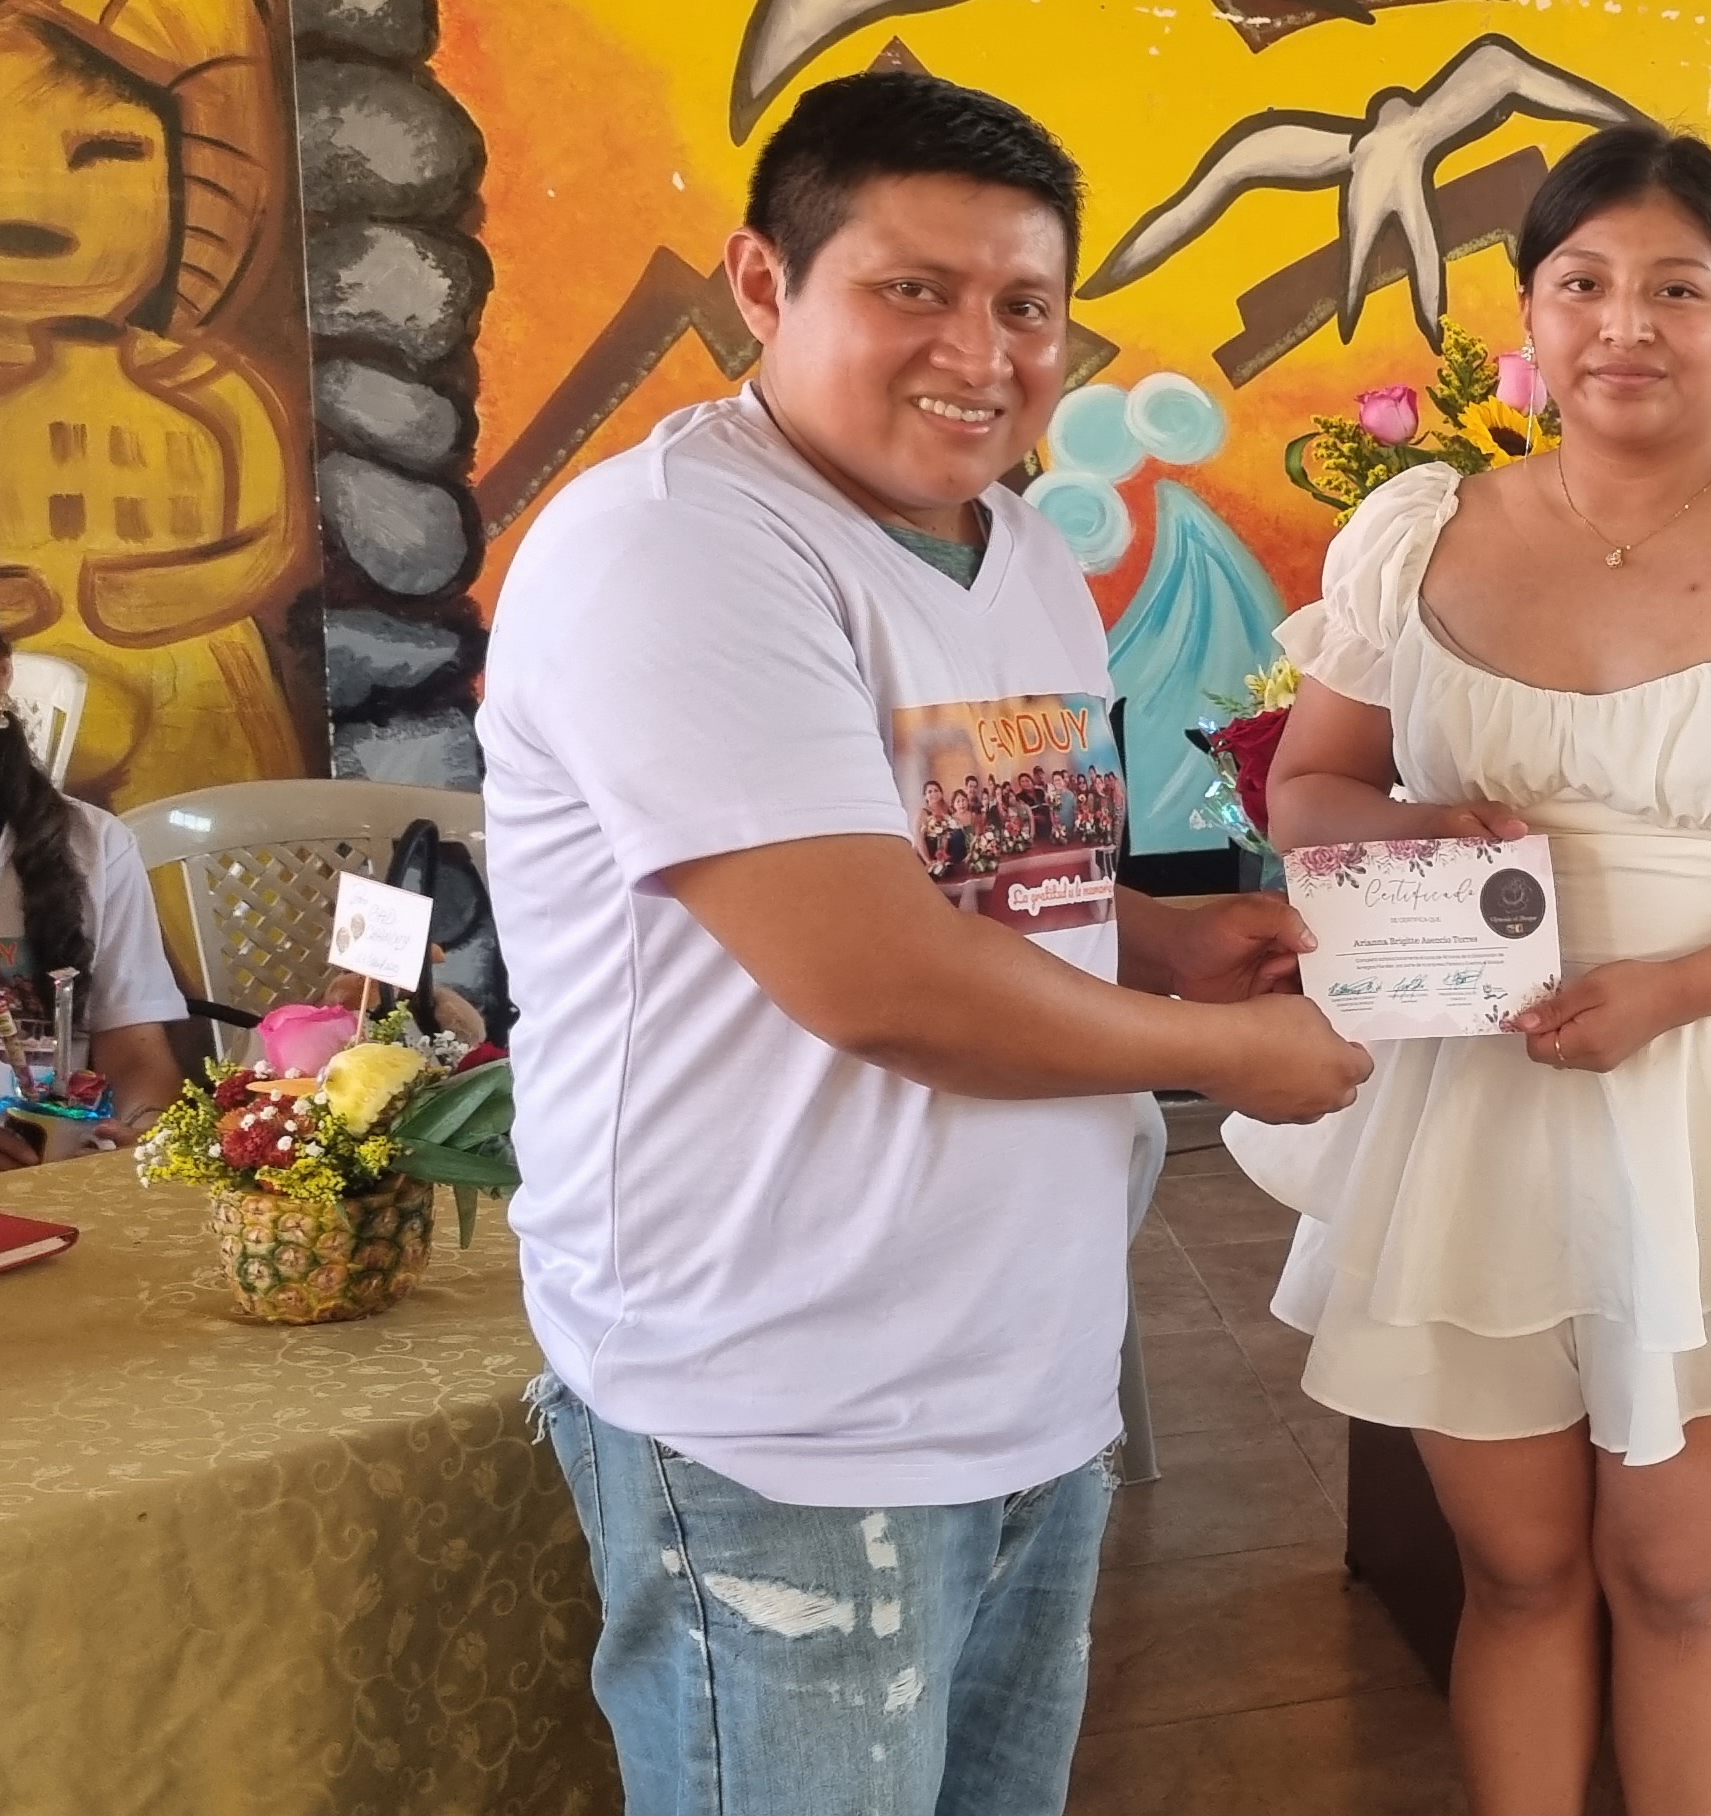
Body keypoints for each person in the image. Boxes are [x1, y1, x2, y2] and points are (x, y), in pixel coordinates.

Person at [479, 73, 1370, 1816]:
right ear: (762, 282)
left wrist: (1163, 937)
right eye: (913, 289)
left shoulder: (1012, 545)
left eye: (1024, 304)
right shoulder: (677, 550)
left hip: (1024, 1365)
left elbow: (975, 878)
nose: (981, 352)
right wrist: (1229, 1055)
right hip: (784, 1409)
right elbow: (880, 975)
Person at [1223, 125, 1711, 1816]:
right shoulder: (1418, 532)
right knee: (1514, 1573)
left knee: (1685, 1574)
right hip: (1475, 1087)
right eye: (1583, 283)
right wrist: (1418, 820)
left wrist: (1670, 992)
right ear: (1530, 316)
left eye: (1676, 290)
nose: (1625, 324)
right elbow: (1311, 791)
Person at [0, 623, 179, 1157]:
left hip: (54, 1173)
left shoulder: (94, 845)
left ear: (3, 671)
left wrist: (138, 1137)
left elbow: (137, 1056)